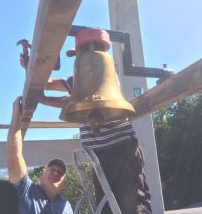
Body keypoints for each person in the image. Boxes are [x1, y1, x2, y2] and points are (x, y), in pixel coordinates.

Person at [35, 28, 152, 214]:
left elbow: (61, 96)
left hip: (123, 147)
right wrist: (32, 68)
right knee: (106, 206)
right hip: (98, 154)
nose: (82, 60)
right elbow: (50, 86)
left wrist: (43, 98)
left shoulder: (105, 76)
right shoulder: (77, 82)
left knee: (133, 204)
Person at [7, 96, 74, 214]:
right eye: (52, 169)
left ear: (64, 184)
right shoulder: (26, 191)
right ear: (41, 175)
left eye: (60, 173)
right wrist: (17, 113)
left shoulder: (66, 205)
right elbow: (14, 154)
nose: (55, 173)